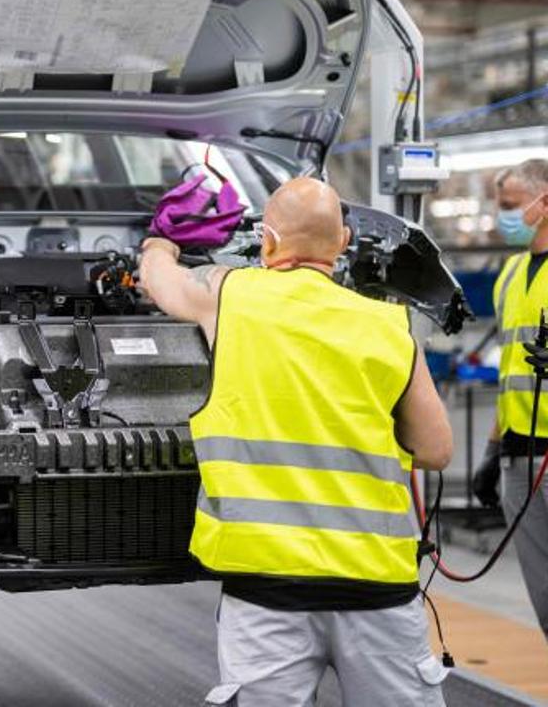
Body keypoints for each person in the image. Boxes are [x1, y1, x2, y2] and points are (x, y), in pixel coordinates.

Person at [139, 177, 454, 706]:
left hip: (267, 592)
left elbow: (160, 282)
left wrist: (161, 243)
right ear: (346, 242)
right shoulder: (389, 325)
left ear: (266, 241)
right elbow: (435, 449)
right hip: (376, 588)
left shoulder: (231, 295)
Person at [471, 157, 548, 640]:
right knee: (544, 599)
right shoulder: (509, 275)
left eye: (512, 206)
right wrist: (492, 452)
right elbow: (509, 374)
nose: (504, 217)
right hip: (519, 462)